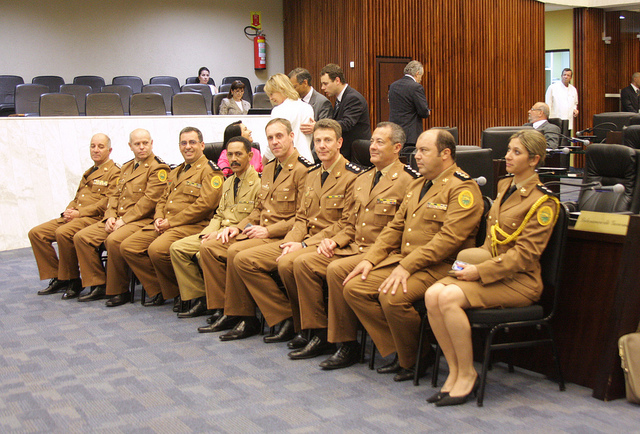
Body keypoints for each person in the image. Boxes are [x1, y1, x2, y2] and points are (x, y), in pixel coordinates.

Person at [424, 129, 559, 407]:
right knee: (432, 294)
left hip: (520, 282)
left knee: (447, 298)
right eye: (509, 150)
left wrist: (479, 272)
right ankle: (455, 370)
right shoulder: (504, 185)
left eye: (516, 152)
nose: (508, 156)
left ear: (534, 160)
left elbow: (525, 256)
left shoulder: (543, 201)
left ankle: (468, 374)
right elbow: (491, 241)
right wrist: (467, 266)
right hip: (491, 272)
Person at [343, 129, 483, 382]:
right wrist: (369, 259)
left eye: (423, 150)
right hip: (408, 261)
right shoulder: (418, 184)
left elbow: (448, 240)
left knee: (392, 297)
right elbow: (395, 227)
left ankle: (415, 357)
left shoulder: (462, 188)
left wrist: (406, 266)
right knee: (355, 288)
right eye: (416, 150)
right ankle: (410, 348)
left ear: (445, 153)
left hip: (441, 266)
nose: (416, 156)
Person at [290, 122, 419, 368]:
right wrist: (334, 240)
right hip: (354, 247)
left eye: (380, 142)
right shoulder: (364, 178)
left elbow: (403, 230)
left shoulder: (409, 181)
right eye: (372, 141)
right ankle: (320, 334)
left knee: (336, 271)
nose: (372, 146)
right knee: (304, 263)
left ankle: (348, 343)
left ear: (397, 148)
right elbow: (350, 223)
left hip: (384, 253)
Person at [231, 119, 362, 346]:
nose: (321, 146)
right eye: (317, 141)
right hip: (303, 239)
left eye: (327, 140)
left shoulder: (353, 176)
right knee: (275, 260)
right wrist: (290, 243)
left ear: (339, 143)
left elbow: (345, 223)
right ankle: (299, 323)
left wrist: (303, 245)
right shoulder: (313, 173)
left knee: (291, 263)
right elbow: (302, 218)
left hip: (330, 242)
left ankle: (314, 330)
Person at [196, 118, 312, 334]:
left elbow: (302, 217)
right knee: (209, 248)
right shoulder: (269, 168)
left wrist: (268, 230)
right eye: (270, 138)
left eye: (279, 136)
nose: (275, 142)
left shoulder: (303, 170)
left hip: (281, 235)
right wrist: (239, 227)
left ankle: (278, 315)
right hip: (259, 231)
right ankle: (227, 310)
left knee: (237, 254)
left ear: (291, 136)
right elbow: (259, 209)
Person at [120, 127, 224, 310]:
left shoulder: (210, 171)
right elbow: (162, 199)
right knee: (129, 246)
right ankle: (163, 289)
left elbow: (204, 205)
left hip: (192, 224)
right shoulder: (177, 171)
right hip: (166, 223)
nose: (187, 147)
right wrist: (159, 217)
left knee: (157, 250)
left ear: (202, 145)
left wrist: (171, 222)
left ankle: (186, 294)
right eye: (183, 143)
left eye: (192, 142)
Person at [73, 129, 170, 306]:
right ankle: (98, 284)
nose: (142, 147)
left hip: (141, 220)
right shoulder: (126, 167)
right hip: (118, 218)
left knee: (114, 240)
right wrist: (110, 216)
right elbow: (114, 195)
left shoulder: (158, 168)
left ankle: (120, 290)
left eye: (145, 143)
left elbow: (149, 201)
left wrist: (123, 221)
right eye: (137, 144)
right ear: (130, 146)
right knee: (82, 237)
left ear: (151, 143)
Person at [169, 136, 261, 319]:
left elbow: (255, 218)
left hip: (238, 234)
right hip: (217, 232)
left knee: (204, 253)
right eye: (230, 155)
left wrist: (217, 234)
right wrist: (208, 233)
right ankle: (201, 297)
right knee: (177, 248)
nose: (233, 159)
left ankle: (221, 305)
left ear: (250, 156)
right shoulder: (228, 182)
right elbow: (218, 215)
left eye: (238, 154)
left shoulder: (258, 183)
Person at [28, 133, 120, 299]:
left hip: (92, 218)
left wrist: (80, 213)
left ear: (109, 150)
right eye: (93, 146)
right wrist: (69, 210)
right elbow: (78, 197)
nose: (96, 150)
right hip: (76, 216)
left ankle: (73, 280)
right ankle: (59, 277)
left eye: (100, 147)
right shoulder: (90, 171)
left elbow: (107, 202)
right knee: (37, 233)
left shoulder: (115, 172)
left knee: (63, 233)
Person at [319, 63, 371, 160]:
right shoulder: (341, 98)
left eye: (325, 84)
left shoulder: (353, 98)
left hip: (355, 155)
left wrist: (321, 126)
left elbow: (347, 123)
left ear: (337, 80)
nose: (322, 88)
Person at [264, 73, 315, 163]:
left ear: (281, 89)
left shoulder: (278, 111)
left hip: (289, 162)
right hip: (307, 160)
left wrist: (265, 160)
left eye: (272, 93)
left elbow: (274, 141)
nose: (271, 98)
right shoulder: (307, 107)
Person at [388, 60, 430, 145]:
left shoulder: (393, 86)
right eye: (421, 76)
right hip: (410, 135)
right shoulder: (416, 87)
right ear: (417, 73)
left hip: (395, 132)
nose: (421, 79)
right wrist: (427, 112)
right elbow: (423, 111)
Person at [545, 68, 578, 133]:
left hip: (568, 120)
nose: (566, 77)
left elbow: (575, 103)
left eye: (568, 75)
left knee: (566, 137)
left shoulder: (573, 89)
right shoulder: (553, 87)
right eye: (564, 75)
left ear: (571, 78)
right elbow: (548, 104)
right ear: (561, 76)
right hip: (556, 119)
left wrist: (575, 110)